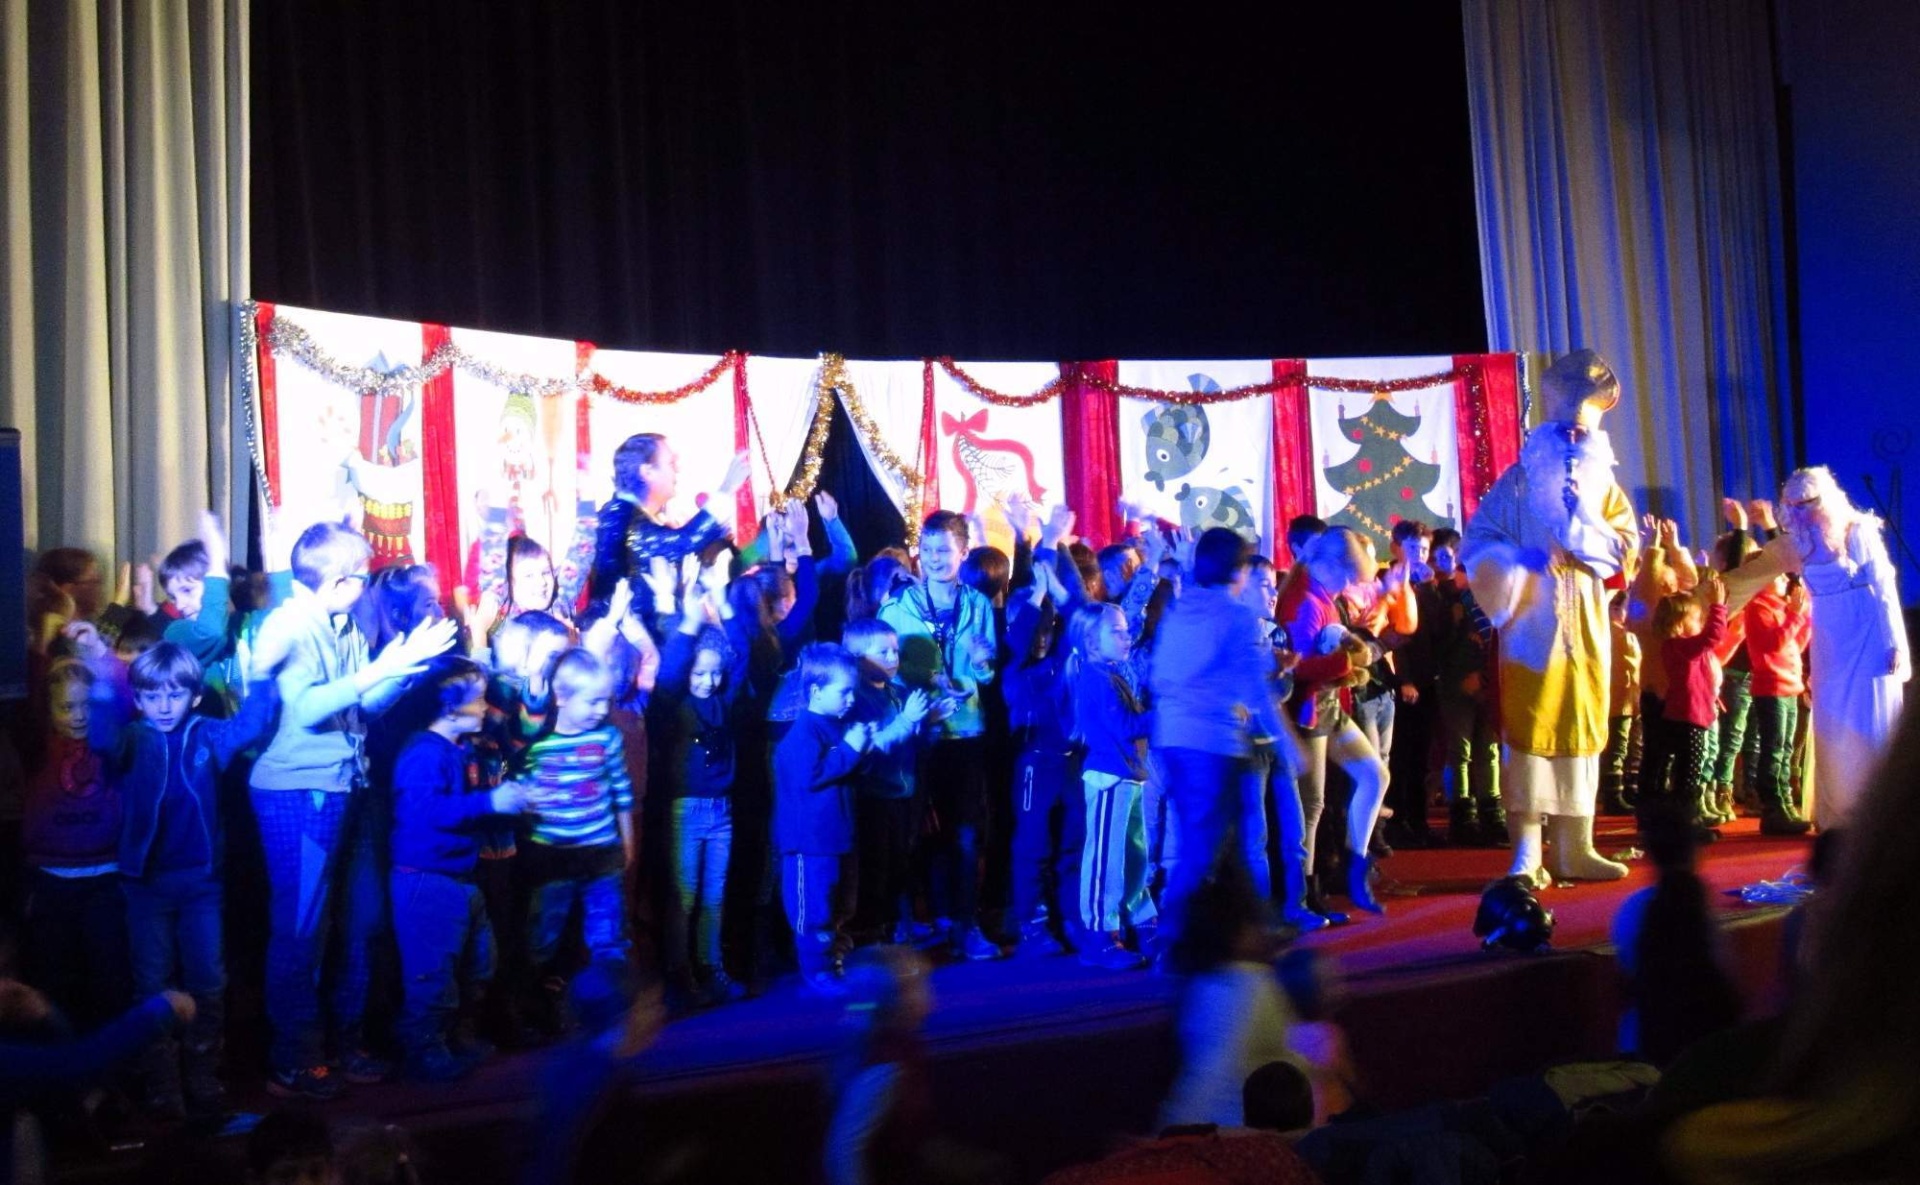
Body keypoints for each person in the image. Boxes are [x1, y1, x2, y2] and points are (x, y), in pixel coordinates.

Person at [248, 521, 457, 1099]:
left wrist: (406, 666)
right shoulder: (290, 623)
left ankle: (345, 1042)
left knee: (363, 923)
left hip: (348, 786)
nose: (367, 587)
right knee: (302, 931)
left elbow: (363, 705)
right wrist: (383, 668)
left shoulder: (343, 625)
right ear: (338, 581)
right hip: (299, 792)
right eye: (362, 578)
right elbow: (308, 708)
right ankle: (294, 1057)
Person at [70, 632, 277, 1120]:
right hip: (145, 886)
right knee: (152, 984)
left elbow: (250, 724)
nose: (164, 706)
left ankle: (203, 1077)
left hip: (201, 886)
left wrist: (266, 671)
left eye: (175, 694)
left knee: (208, 981)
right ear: (139, 699)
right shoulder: (133, 738)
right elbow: (101, 735)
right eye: (152, 695)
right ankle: (163, 1085)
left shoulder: (206, 734)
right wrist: (101, 666)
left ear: (194, 696)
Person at [1462, 349, 1638, 885]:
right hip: (1529, 632)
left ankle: (1575, 847)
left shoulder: (1605, 490)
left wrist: (1584, 523)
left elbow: (1626, 550)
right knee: (1530, 732)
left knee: (1581, 727)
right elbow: (1479, 540)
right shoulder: (1517, 483)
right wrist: (1516, 560)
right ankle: (1526, 852)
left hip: (1585, 629)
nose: (1572, 439)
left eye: (1581, 433)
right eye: (1564, 431)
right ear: (1545, 432)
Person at [1149, 527, 1293, 957]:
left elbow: (1161, 674)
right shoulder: (1234, 616)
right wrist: (1289, 744)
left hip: (1173, 738)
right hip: (1212, 743)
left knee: (1223, 842)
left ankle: (1252, 929)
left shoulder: (1182, 608)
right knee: (1205, 847)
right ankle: (1172, 939)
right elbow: (1255, 688)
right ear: (1240, 571)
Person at [388, 658, 530, 1081]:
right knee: (432, 973)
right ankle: (424, 1052)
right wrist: (490, 802)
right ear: (450, 707)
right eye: (479, 698)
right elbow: (426, 813)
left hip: (459, 875)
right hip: (427, 878)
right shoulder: (423, 753)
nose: (486, 706)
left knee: (478, 963)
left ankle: (456, 1038)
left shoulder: (457, 750)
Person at [879, 511, 1003, 961]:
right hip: (917, 733)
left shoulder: (978, 605)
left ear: (963, 553)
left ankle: (966, 925)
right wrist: (926, 691)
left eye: (943, 551)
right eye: (927, 550)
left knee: (965, 836)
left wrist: (982, 662)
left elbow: (985, 675)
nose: (934, 559)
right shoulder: (897, 606)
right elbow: (884, 671)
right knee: (909, 834)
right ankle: (904, 926)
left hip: (964, 733)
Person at [1757, 468, 1910, 827]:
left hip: (1866, 632)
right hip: (1829, 639)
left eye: (1805, 504)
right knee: (1832, 723)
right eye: (1792, 505)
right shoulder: (1799, 541)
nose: (1798, 512)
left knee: (1868, 720)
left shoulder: (1857, 530)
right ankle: (1840, 815)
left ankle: (1876, 815)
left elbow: (1884, 589)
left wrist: (1894, 641)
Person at [649, 565, 752, 1005]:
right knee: (684, 897)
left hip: (721, 810)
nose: (707, 682)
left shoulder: (724, 700)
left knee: (714, 896)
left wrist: (723, 602)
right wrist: (688, 621)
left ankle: (712, 966)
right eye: (699, 674)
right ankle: (680, 973)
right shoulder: (674, 704)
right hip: (685, 812)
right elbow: (672, 669)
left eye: (713, 673)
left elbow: (742, 656)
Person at [825, 945, 1007, 1185]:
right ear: (892, 1000)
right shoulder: (882, 1066)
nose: (928, 997)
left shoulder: (901, 1044)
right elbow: (844, 1150)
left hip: (916, 1149)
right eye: (918, 988)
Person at [518, 649, 636, 1016]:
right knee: (543, 935)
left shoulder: (608, 739)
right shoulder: (538, 743)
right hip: (552, 856)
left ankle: (613, 1009)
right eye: (593, 701)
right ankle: (535, 1006)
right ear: (562, 696)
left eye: (606, 701)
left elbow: (621, 792)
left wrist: (627, 840)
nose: (601, 710)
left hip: (600, 852)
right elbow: (523, 791)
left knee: (608, 934)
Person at [18, 658, 129, 1038]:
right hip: (51, 881)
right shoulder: (36, 745)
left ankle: (108, 1060)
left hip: (104, 880)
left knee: (109, 975)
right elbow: (23, 687)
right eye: (67, 707)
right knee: (55, 976)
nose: (78, 715)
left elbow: (119, 697)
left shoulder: (109, 743)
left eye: (86, 705)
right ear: (48, 710)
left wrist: (99, 657)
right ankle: (63, 1060)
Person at [1283, 528, 1389, 915]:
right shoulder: (1305, 601)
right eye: (1346, 576)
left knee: (1374, 775)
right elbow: (1298, 668)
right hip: (1309, 710)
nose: (1347, 586)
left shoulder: (1320, 595)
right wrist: (1348, 662)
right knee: (1311, 806)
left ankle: (1354, 863)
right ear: (1329, 565)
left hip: (1326, 705)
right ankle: (1305, 893)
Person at [1158, 870, 1300, 1130]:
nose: (1268, 932)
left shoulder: (1209, 986)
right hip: (1238, 1133)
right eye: (1259, 923)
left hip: (1209, 1128)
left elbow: (1206, 1076)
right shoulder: (1251, 984)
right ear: (1239, 933)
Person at [774, 644, 870, 994]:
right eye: (844, 692)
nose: (850, 699)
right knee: (814, 908)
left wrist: (860, 749)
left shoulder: (836, 725)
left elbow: (848, 772)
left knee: (840, 904)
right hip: (810, 843)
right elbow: (810, 776)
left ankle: (835, 961)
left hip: (838, 836)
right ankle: (817, 970)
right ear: (816, 690)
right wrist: (851, 749)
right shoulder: (804, 732)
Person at [1609, 816, 1742, 1067]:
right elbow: (1724, 977)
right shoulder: (1701, 906)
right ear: (1694, 853)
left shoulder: (1634, 907)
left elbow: (1624, 979)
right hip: (1702, 1048)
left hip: (1643, 1044)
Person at [1067, 601, 1156, 971]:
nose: (1126, 637)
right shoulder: (1096, 678)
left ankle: (1138, 919)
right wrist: (1163, 714)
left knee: (1133, 853)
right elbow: (1124, 726)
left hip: (1128, 775)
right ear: (1091, 640)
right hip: (1109, 777)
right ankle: (1099, 936)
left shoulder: (1110, 674)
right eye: (1116, 632)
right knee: (1106, 858)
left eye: (1126, 630)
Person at [587, 432, 750, 626]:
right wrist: (727, 488)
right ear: (647, 471)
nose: (677, 470)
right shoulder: (619, 516)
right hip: (627, 639)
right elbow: (684, 543)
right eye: (671, 463)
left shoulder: (629, 515)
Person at [841, 618, 934, 948]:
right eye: (884, 652)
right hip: (875, 795)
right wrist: (907, 721)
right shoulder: (855, 698)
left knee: (902, 860)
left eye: (896, 651)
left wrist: (929, 722)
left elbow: (912, 741)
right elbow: (871, 748)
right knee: (876, 866)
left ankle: (898, 924)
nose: (894, 658)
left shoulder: (897, 690)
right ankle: (874, 931)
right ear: (858, 658)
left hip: (905, 790)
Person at [1742, 571, 1813, 835]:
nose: (1785, 580)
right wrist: (1795, 615)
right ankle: (1773, 808)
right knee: (1773, 748)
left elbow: (1795, 644)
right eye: (1779, 576)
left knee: (1785, 748)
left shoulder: (1781, 607)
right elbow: (1774, 644)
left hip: (1789, 686)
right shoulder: (1758, 607)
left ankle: (1785, 804)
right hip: (1771, 686)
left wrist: (1804, 614)